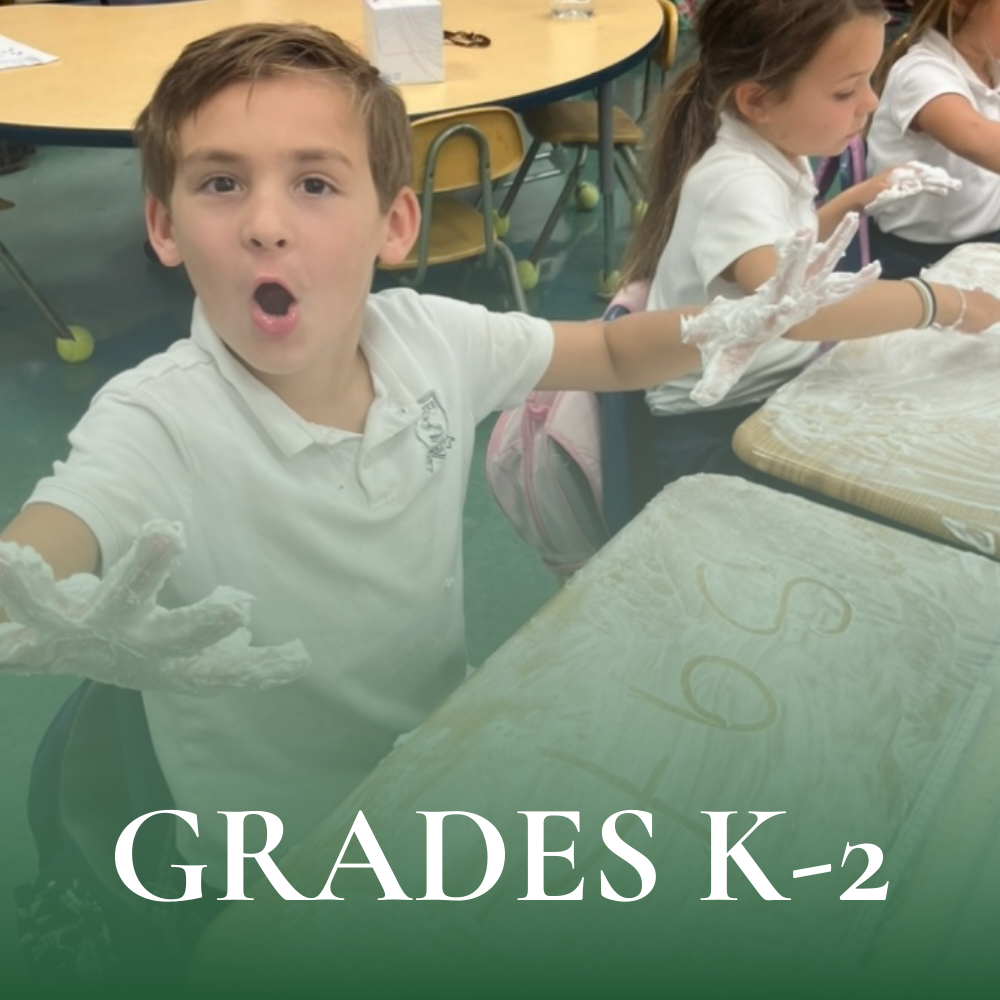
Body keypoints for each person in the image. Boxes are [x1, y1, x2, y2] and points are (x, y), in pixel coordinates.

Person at [0, 19, 981, 988]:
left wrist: (738, 319)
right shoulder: (157, 420)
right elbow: (50, 538)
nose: (266, 221)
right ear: (163, 224)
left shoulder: (428, 338)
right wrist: (33, 598)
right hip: (279, 850)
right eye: (221, 182)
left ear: (394, 223)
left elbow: (602, 350)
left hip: (430, 763)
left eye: (313, 182)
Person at [618, 0, 1000, 495]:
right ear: (756, 100)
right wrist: (943, 303)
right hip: (714, 437)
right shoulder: (735, 181)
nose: (872, 104)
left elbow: (776, 255)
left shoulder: (774, 151)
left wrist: (854, 199)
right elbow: (793, 306)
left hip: (768, 394)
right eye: (846, 91)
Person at [867, 0, 1000, 278]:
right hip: (921, 257)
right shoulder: (921, 73)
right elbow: (973, 137)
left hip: (986, 233)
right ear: (961, 5)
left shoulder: (991, 63)